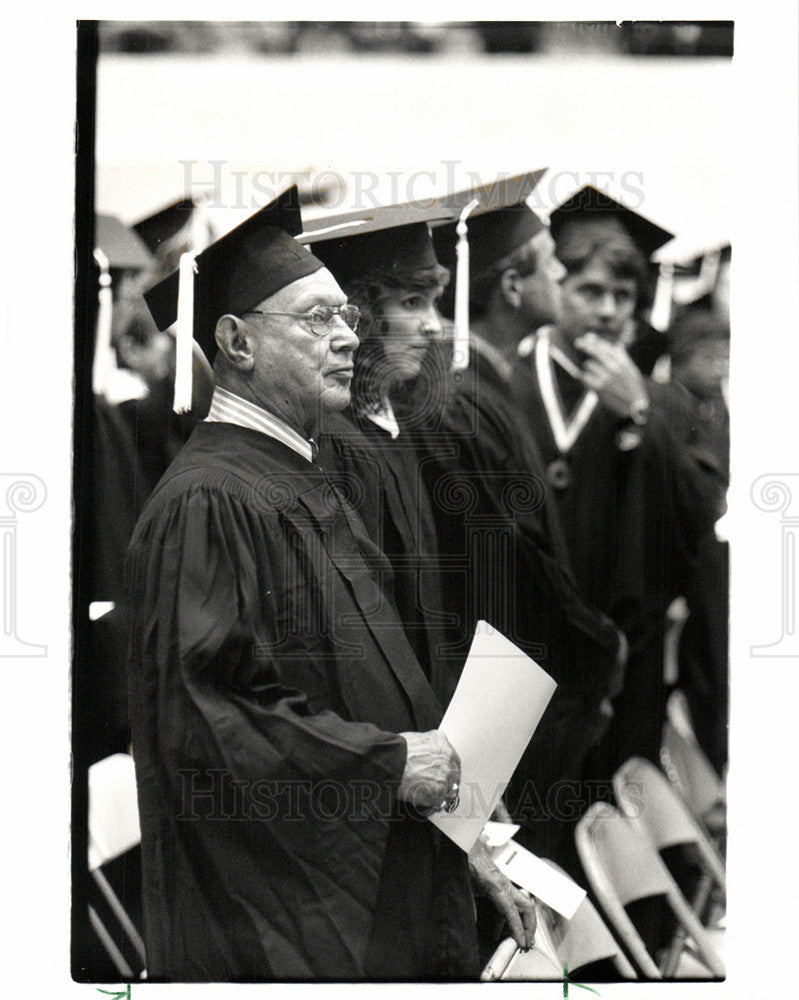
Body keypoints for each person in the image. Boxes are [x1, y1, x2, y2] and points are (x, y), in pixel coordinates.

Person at [128, 187, 514, 982]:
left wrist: (447, 850)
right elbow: (206, 723)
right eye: (315, 320)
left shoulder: (299, 476)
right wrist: (385, 766)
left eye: (346, 316)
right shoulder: (210, 501)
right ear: (234, 341)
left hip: (375, 881)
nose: (347, 338)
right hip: (276, 924)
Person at [302, 205, 538, 961]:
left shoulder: (395, 433)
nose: (434, 325)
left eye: (433, 299)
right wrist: (446, 810)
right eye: (410, 302)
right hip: (382, 798)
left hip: (434, 777)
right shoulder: (336, 450)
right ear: (356, 315)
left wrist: (470, 782)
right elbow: (358, 658)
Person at [430, 181, 628, 865]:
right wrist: (596, 646)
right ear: (512, 287)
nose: (562, 275)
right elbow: (517, 563)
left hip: (520, 680)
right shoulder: (466, 403)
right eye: (549, 263)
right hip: (502, 689)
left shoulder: (487, 388)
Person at [511, 186, 721, 793]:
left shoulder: (664, 403)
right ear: (557, 289)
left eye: (622, 296)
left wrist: (640, 417)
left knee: (611, 796)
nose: (607, 310)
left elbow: (701, 513)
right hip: (533, 645)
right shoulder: (506, 385)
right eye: (589, 291)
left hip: (629, 654)